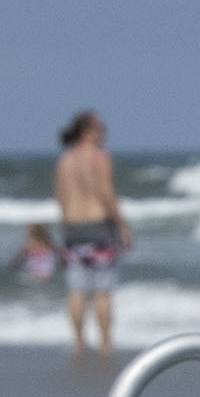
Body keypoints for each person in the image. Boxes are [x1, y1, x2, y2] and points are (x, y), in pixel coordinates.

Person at [50, 111, 129, 356]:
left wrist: (66, 226)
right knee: (102, 292)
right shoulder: (100, 158)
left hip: (73, 229)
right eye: (100, 127)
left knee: (77, 291)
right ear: (87, 131)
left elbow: (61, 197)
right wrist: (123, 225)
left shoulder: (65, 160)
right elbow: (107, 193)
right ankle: (106, 345)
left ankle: (79, 343)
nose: (105, 132)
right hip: (99, 228)